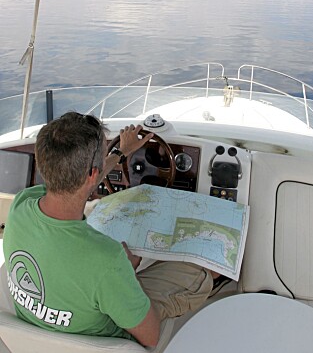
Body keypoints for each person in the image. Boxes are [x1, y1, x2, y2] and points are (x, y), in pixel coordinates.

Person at [3, 112, 224, 347]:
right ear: (93, 175)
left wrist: (121, 153)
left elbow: (79, 182)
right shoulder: (108, 260)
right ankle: (213, 279)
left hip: (41, 337)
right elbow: (150, 336)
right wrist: (127, 271)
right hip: (114, 335)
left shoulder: (21, 206)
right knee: (206, 265)